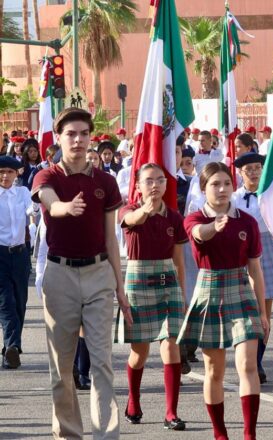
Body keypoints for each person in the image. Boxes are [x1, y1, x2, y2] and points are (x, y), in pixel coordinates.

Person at [32, 107, 130, 439]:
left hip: (99, 273)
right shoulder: (47, 176)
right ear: (59, 138)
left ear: (90, 138)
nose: (77, 140)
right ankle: (69, 434)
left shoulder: (106, 181)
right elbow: (49, 201)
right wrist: (63, 208)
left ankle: (106, 434)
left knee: (102, 363)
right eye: (70, 134)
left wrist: (120, 286)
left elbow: (111, 240)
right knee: (62, 370)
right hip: (59, 276)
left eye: (83, 134)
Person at [178, 162, 269, 440]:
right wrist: (213, 227)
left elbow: (255, 268)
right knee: (214, 369)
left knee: (248, 365)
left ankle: (249, 434)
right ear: (203, 189)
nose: (221, 189)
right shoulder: (194, 218)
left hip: (241, 291)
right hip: (209, 290)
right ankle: (220, 433)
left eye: (226, 184)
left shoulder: (247, 221)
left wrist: (262, 312)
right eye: (215, 184)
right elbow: (197, 235)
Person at [117, 163, 188, 430]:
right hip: (139, 282)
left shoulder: (174, 218)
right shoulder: (129, 210)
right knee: (140, 352)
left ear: (167, 185)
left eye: (160, 180)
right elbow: (130, 221)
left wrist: (182, 293)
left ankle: (171, 412)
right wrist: (144, 211)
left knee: (170, 344)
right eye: (148, 181)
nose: (155, 185)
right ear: (137, 186)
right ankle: (133, 400)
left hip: (168, 283)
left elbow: (179, 260)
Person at [232, 152, 273, 384]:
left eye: (257, 167)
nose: (253, 172)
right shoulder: (234, 198)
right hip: (241, 250)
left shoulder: (270, 196)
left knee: (264, 312)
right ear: (240, 172)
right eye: (248, 169)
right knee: (246, 311)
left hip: (265, 248)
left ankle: (257, 360)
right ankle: (248, 358)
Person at [0, 156, 32, 369]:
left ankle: (10, 348)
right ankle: (12, 346)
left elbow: (33, 210)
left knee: (20, 301)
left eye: (9, 172)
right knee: (6, 301)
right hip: (0, 254)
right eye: (1, 171)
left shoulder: (23, 193)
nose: (5, 176)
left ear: (16, 173)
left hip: (20, 254)